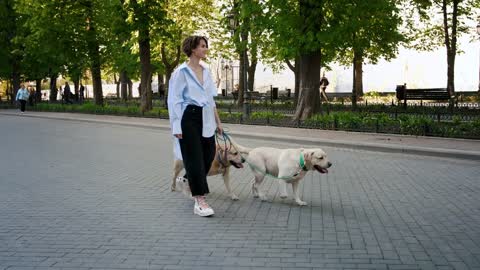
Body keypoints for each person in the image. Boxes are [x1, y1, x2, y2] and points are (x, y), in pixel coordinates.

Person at [168, 36, 223, 217]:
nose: (206, 49)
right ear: (193, 49)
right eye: (203, 46)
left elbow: (210, 99)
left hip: (206, 116)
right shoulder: (180, 72)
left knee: (209, 154)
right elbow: (174, 100)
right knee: (194, 158)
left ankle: (187, 178)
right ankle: (200, 200)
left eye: (206, 46)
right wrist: (177, 127)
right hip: (188, 117)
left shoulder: (206, 71)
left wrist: (218, 122)